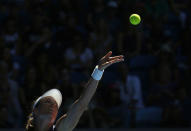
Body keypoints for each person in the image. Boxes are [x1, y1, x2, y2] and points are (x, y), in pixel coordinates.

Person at [26, 51, 124, 131]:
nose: (53, 105)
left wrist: (98, 71)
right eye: (48, 101)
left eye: (56, 105)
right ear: (36, 110)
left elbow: (81, 104)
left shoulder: (61, 129)